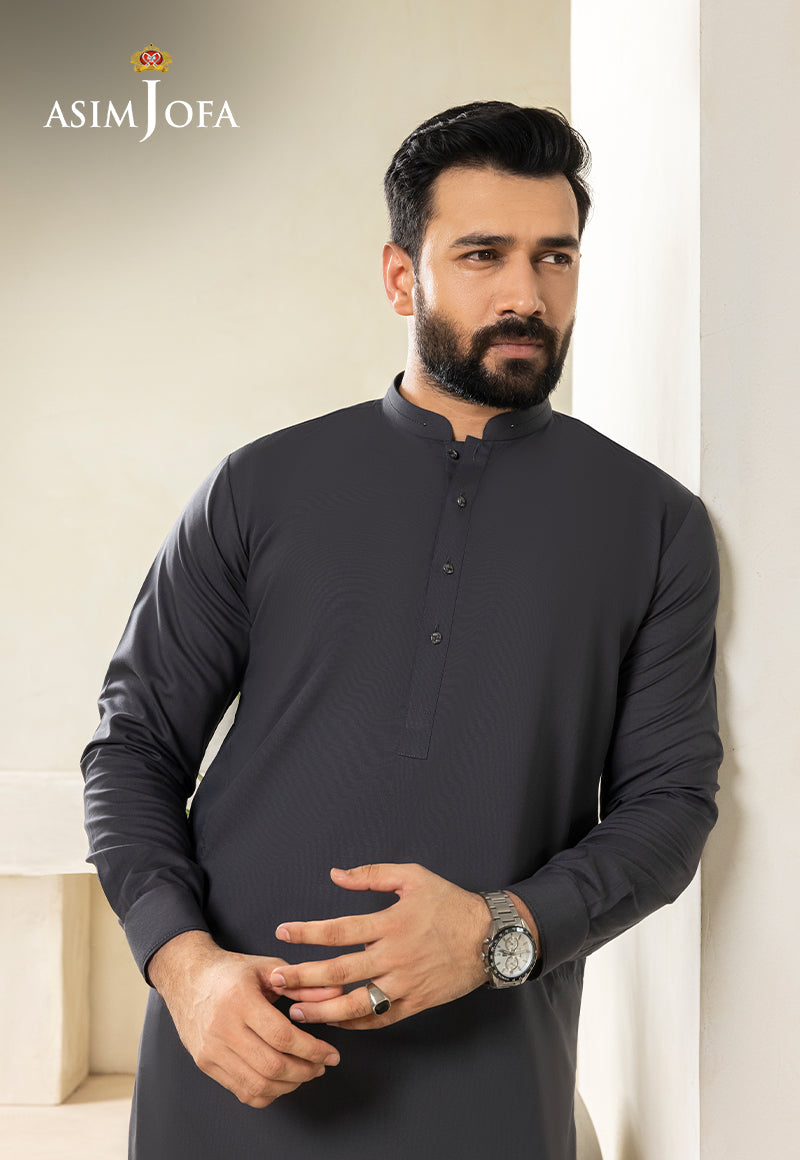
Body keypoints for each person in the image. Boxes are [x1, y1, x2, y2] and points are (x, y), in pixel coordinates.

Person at [81, 101, 723, 1160]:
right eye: (481, 254)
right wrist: (183, 968)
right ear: (399, 277)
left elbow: (670, 804)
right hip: (231, 1064)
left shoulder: (653, 524)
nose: (525, 295)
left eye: (554, 256)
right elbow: (133, 746)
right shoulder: (259, 486)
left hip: (490, 1085)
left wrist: (498, 930)